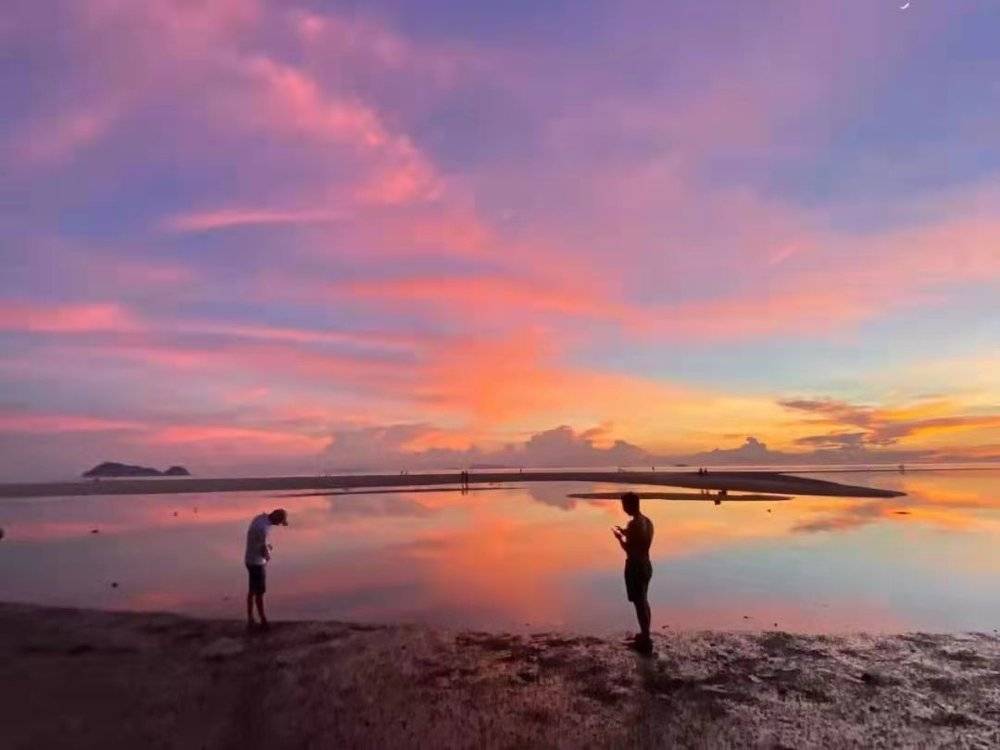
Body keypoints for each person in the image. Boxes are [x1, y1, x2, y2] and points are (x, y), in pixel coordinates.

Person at [612, 492, 654, 654]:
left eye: (624, 505)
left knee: (639, 602)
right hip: (646, 564)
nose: (623, 509)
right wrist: (625, 532)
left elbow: (629, 549)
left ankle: (645, 638)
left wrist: (619, 538)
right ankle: (645, 634)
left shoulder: (634, 524)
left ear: (629, 505)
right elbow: (641, 541)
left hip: (635, 566)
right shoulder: (647, 521)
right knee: (643, 600)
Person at [245, 508, 288, 630]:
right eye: (280, 522)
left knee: (252, 591)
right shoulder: (263, 529)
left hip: (249, 558)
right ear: (275, 517)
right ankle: (263, 620)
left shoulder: (260, 518)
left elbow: (257, 543)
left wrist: (266, 547)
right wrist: (269, 553)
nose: (279, 524)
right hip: (257, 562)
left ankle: (250, 618)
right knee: (259, 592)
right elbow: (263, 552)